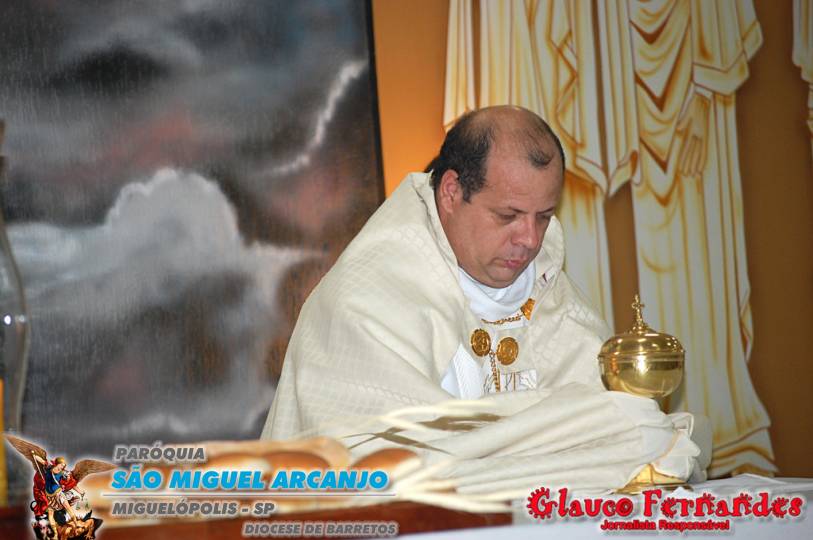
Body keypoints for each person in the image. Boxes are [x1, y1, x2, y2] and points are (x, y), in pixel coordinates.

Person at [262, 106, 708, 499]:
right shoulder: (367, 298)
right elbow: (365, 461)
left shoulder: (551, 296)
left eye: (544, 217)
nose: (529, 240)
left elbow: (611, 424)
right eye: (508, 216)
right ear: (451, 192)